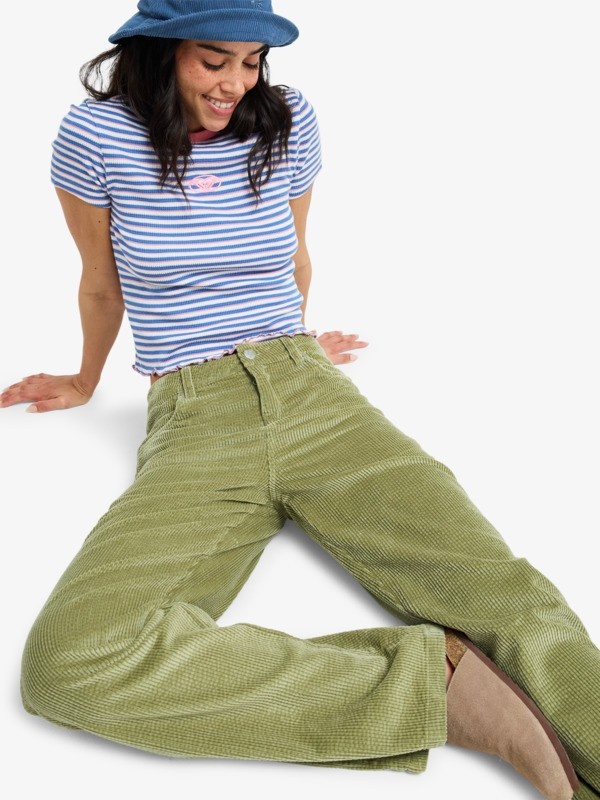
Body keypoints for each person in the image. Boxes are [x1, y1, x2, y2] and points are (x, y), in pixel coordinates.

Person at [1, 1, 598, 798]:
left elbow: (295, 256)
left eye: (251, 62)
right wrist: (85, 380)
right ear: (157, 52)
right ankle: (434, 686)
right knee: (69, 666)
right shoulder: (96, 135)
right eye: (214, 60)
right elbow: (101, 281)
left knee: (505, 598)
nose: (235, 83)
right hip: (195, 411)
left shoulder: (287, 121)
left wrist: (299, 338)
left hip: (312, 392)